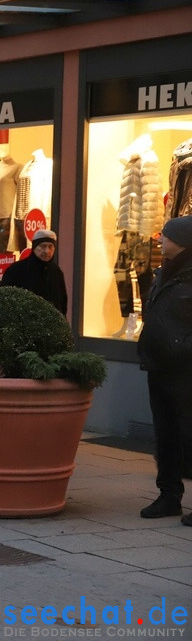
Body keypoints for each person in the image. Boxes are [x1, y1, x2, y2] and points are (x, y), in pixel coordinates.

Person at [136, 215, 192, 527]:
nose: (160, 239)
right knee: (166, 434)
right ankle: (169, 496)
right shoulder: (164, 273)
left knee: (190, 434)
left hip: (186, 369)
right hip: (158, 366)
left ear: (183, 241)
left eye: (166, 236)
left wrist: (184, 346)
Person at [0, 228, 68, 315]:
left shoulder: (56, 272)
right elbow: (3, 298)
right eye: (43, 246)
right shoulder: (17, 270)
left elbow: (62, 302)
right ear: (34, 247)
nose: (47, 251)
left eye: (50, 246)